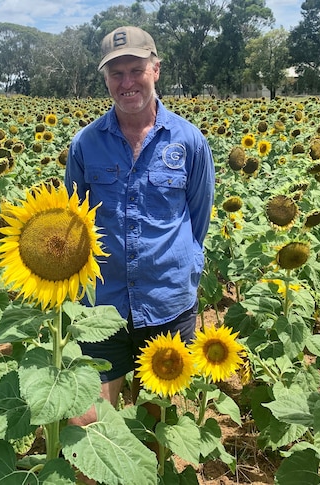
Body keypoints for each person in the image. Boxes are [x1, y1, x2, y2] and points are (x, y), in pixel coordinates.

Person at [65, 26, 215, 423]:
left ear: (156, 69)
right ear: (106, 80)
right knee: (88, 425)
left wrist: (184, 264)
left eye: (136, 70)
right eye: (116, 74)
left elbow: (199, 216)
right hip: (102, 303)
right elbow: (73, 219)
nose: (127, 82)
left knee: (158, 421)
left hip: (167, 302)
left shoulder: (189, 141)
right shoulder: (85, 143)